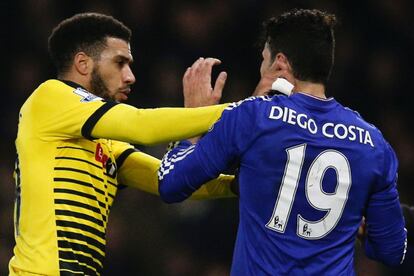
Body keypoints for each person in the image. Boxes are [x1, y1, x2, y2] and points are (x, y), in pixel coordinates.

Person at [158, 9, 407, 274]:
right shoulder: (373, 143)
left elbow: (171, 183)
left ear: (280, 63)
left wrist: (192, 120)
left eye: (264, 58)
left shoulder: (252, 116)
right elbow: (392, 251)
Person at [10, 12, 242, 275]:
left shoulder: (105, 144)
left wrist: (239, 184)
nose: (131, 76)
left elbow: (168, 178)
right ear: (83, 64)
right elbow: (141, 125)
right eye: (120, 63)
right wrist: (245, 112)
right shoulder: (50, 97)